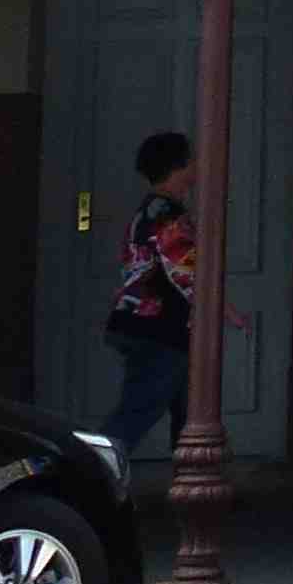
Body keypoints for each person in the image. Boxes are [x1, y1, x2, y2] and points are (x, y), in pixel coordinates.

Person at [98, 129, 197, 470]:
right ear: (179, 166)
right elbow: (184, 270)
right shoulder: (167, 213)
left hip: (140, 321)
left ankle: (191, 476)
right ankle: (92, 471)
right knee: (138, 411)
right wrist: (223, 310)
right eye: (191, 160)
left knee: (187, 410)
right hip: (159, 326)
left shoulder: (148, 211)